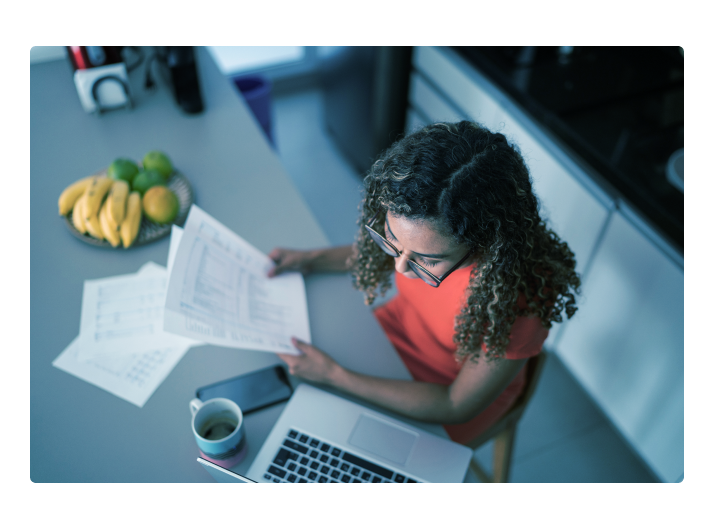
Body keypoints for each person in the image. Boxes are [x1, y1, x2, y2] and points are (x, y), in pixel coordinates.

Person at [267, 121, 581, 445]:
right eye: (391, 240)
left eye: (427, 261)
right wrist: (311, 259)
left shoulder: (518, 301)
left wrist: (335, 376)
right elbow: (406, 252)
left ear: (484, 245)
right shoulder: (418, 247)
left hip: (443, 398)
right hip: (394, 337)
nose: (400, 268)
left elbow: (455, 405)